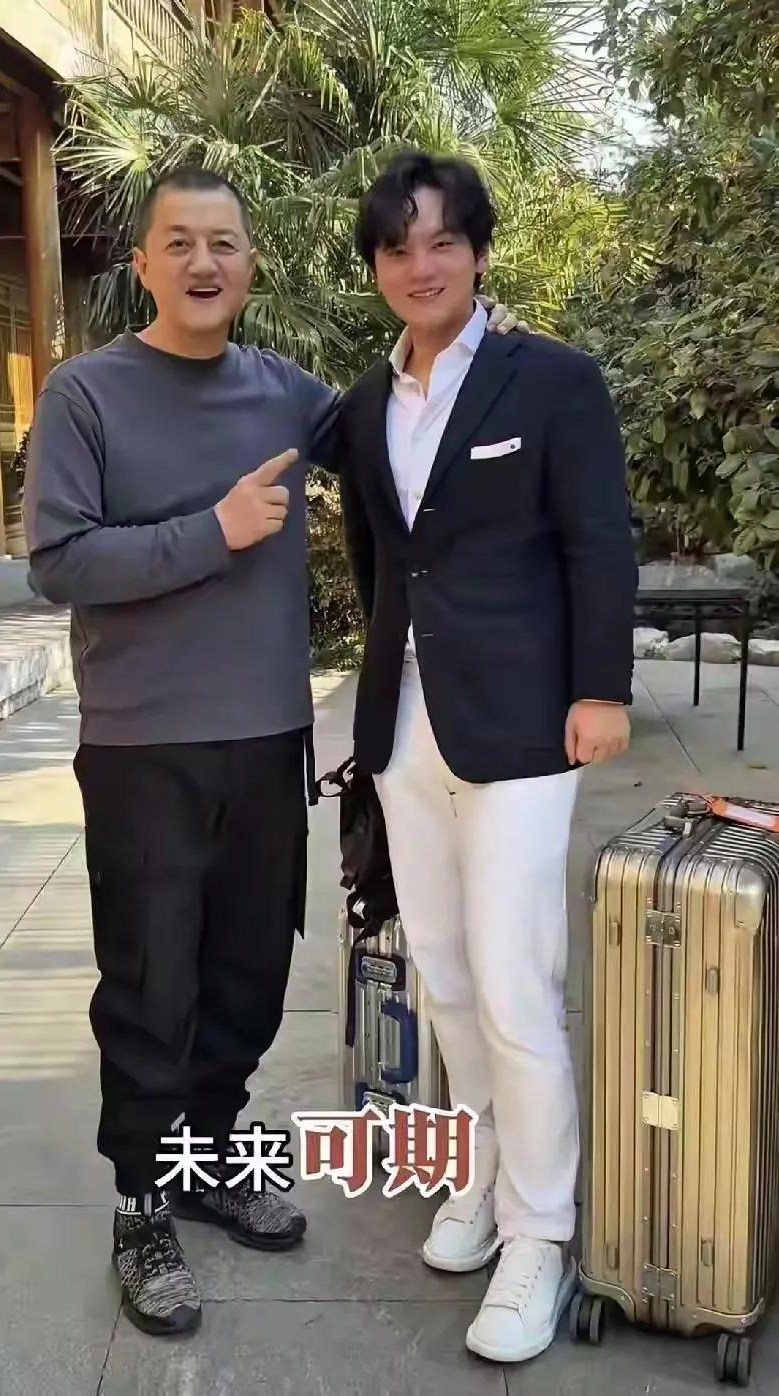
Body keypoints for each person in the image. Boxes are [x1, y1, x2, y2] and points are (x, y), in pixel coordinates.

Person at [22, 165, 520, 1339]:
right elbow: (59, 561)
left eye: (224, 244)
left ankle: (202, 1155)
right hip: (143, 746)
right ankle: (141, 1203)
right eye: (180, 242)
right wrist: (215, 531)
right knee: (152, 984)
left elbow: (413, 432)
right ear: (143, 264)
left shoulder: (288, 395)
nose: (204, 262)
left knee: (247, 974)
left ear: (251, 266)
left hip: (266, 738)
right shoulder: (86, 393)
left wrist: (485, 354)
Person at [333, 151, 637, 1365]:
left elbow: (598, 540)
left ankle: (541, 1232)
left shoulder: (552, 378)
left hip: (523, 726)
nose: (421, 265)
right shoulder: (367, 401)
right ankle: (480, 1170)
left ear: (477, 250)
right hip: (406, 725)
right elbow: (377, 558)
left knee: (515, 983)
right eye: (397, 247)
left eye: (442, 241)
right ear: (377, 265)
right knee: (447, 976)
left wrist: (599, 687)